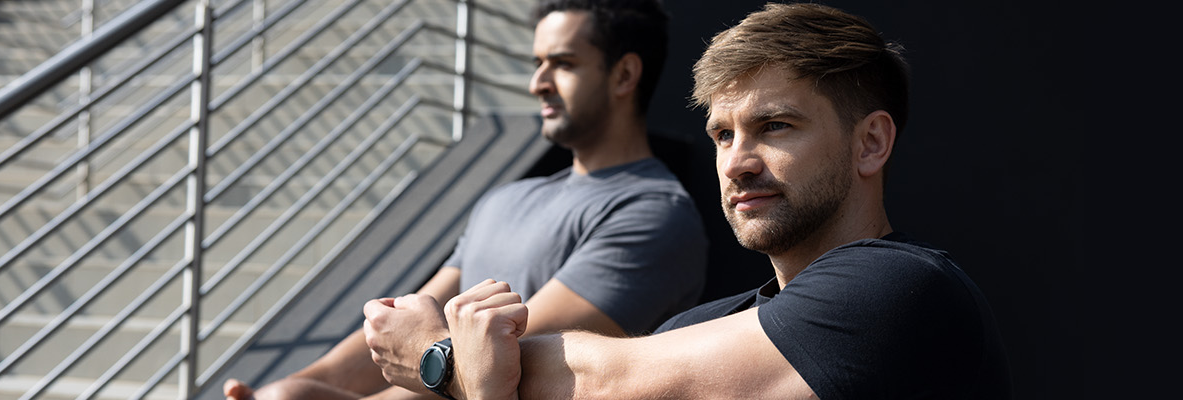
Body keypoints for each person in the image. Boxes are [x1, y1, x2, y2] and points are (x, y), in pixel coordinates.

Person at [361, 3, 1012, 399]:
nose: (737, 161)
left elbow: (607, 384)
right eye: (722, 135)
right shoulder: (689, 333)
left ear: (870, 143)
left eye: (775, 126)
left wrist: (439, 355)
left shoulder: (900, 291)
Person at [224, 0, 707, 398]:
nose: (538, 82)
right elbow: (408, 331)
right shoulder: (506, 198)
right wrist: (299, 384)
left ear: (624, 75)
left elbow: (496, 367)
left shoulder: (653, 214)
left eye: (562, 64)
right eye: (537, 63)